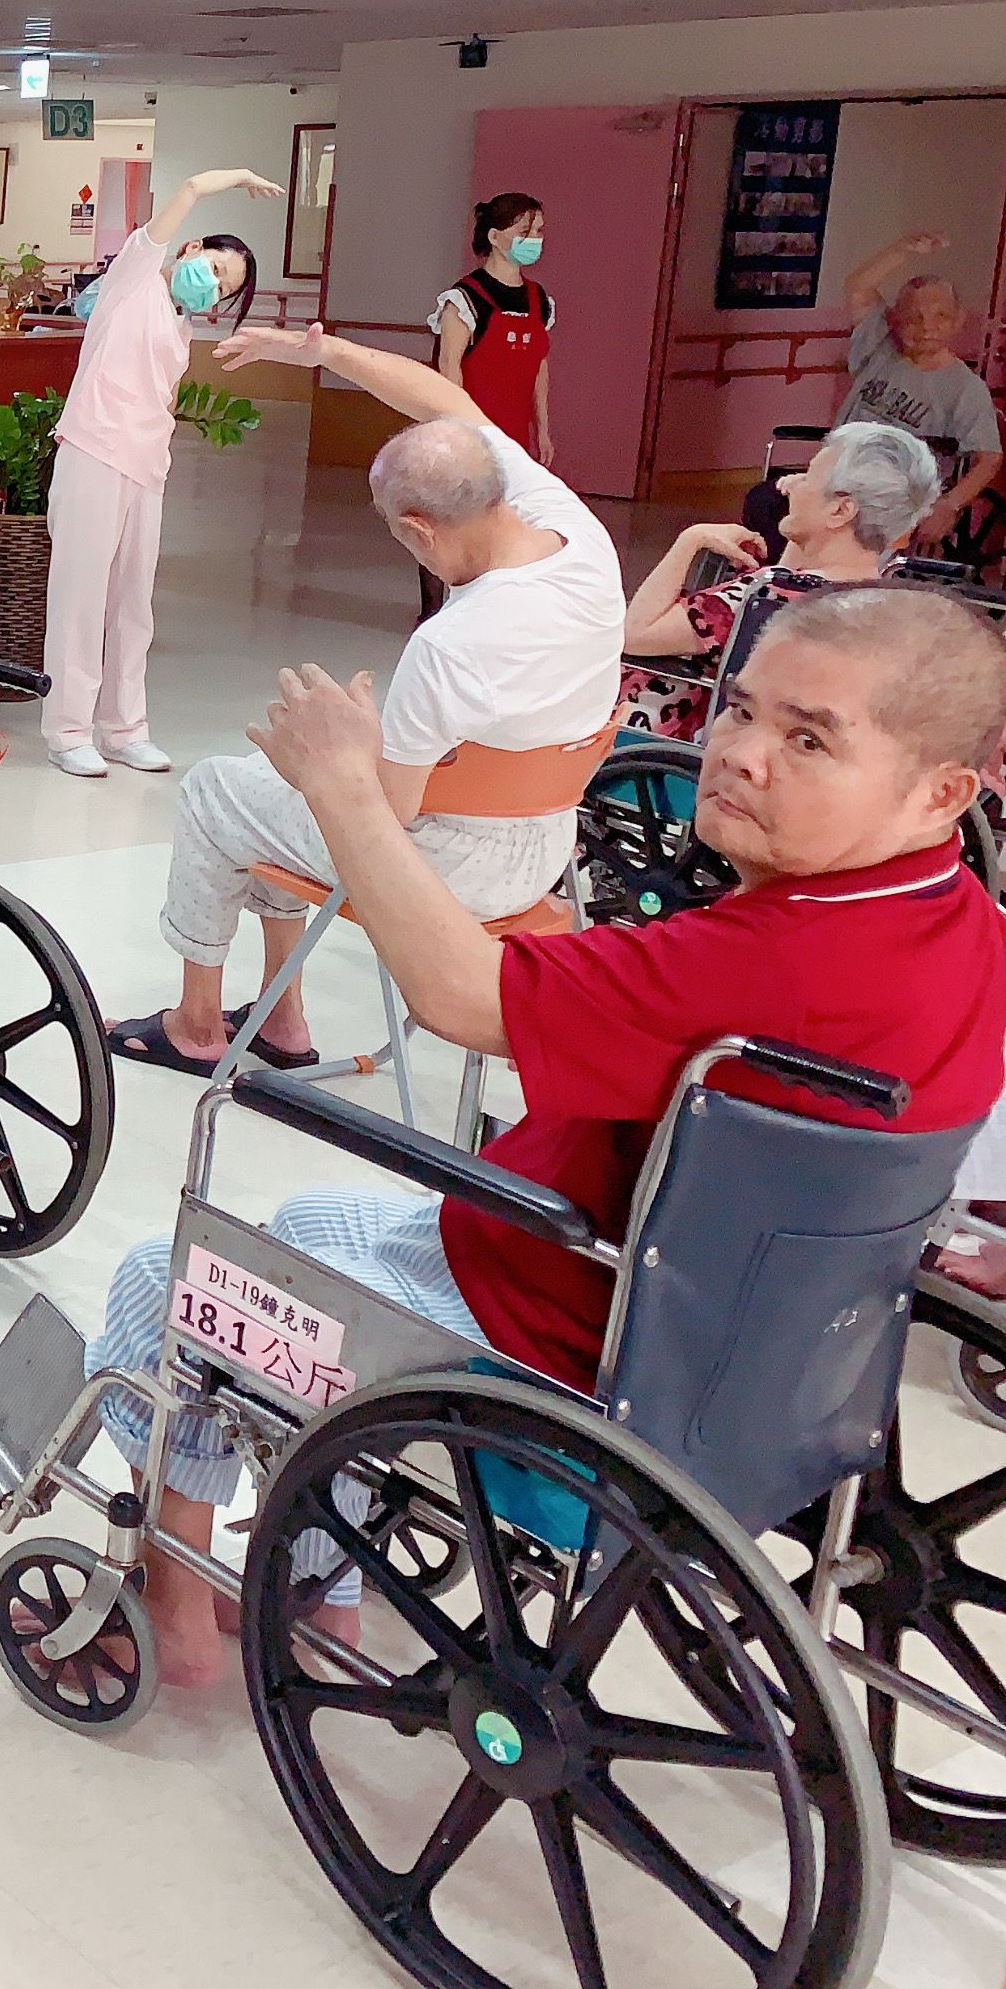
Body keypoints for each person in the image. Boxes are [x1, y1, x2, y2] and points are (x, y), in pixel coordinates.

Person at [66, 586, 1006, 1689]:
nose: (741, 755)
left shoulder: (769, 964)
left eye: (809, 739)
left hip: (564, 1350)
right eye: (743, 711)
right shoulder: (959, 929)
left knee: (163, 1279)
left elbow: (460, 998)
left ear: (942, 790)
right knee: (314, 1220)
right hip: (745, 1349)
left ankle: (169, 1594)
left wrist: (341, 790)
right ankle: (324, 1577)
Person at [105, 323, 621, 1079]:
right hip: (544, 847)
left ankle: (196, 1024)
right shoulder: (578, 532)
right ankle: (281, 1017)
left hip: (450, 872)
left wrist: (328, 754)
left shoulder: (452, 645)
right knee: (268, 785)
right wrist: (325, 352)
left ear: (418, 529)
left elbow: (383, 814)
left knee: (220, 788)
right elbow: (446, 402)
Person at [40, 166, 282, 777]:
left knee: (133, 604)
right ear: (193, 250)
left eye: (226, 290)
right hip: (93, 452)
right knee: (80, 597)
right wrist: (233, 179)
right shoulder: (135, 279)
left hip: (145, 467)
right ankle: (68, 730)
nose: (216, 288)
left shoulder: (182, 325)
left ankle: (125, 727)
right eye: (219, 271)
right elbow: (189, 193)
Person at [619, 418, 932, 740]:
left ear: (840, 511)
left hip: (660, 736)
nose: (791, 484)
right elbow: (797, 569)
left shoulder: (765, 596)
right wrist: (808, 507)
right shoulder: (877, 600)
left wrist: (691, 538)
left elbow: (634, 634)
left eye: (808, 476)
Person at [832, 232, 995, 554]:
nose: (926, 328)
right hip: (839, 474)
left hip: (897, 496)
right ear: (895, 319)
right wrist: (901, 250)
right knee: (768, 503)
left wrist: (949, 505)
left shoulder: (965, 389)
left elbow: (989, 459)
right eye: (914, 318)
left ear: (958, 321)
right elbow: (858, 287)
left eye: (940, 317)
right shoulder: (880, 346)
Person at [432, 190, 555, 465]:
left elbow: (540, 369)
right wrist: (459, 435)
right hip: (472, 437)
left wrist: (543, 431)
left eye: (539, 231)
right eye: (525, 231)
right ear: (494, 237)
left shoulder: (539, 299)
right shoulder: (465, 298)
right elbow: (449, 370)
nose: (535, 239)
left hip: (516, 439)